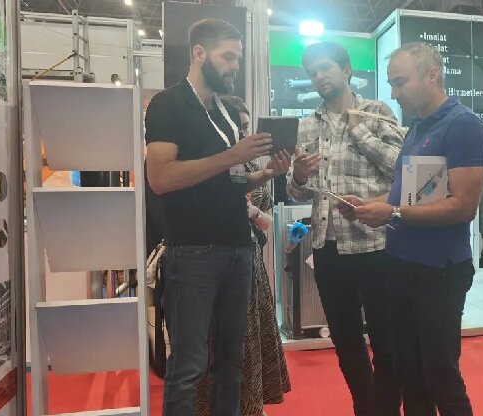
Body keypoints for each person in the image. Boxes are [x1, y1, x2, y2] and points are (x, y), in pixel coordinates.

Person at [144, 19, 291, 415]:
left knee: (231, 361)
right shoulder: (167, 104)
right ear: (199, 53)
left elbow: (232, 180)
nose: (234, 67)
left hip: (238, 249)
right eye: (228, 57)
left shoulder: (225, 111)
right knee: (189, 365)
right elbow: (160, 178)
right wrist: (232, 155)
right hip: (193, 251)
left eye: (238, 59)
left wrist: (267, 173)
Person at [338, 42, 483, 416]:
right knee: (409, 375)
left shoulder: (463, 125)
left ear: (432, 75)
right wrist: (370, 205)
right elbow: (413, 196)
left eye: (400, 82)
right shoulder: (418, 126)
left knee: (441, 376)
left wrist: (391, 212)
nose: (394, 93)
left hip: (439, 271)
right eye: (392, 83)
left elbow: (463, 206)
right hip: (402, 265)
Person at [287, 41, 404, 416]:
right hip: (328, 248)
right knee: (346, 340)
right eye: (313, 72)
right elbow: (296, 191)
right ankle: (365, 408)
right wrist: (298, 175)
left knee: (387, 341)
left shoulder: (377, 112)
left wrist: (361, 134)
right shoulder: (306, 125)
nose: (319, 76)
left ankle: (386, 409)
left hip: (376, 244)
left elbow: (403, 167)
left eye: (325, 68)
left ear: (347, 70)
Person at [193, 95, 291, 416]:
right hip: (216, 263)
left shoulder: (251, 165)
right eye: (239, 125)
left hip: (251, 262)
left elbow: (265, 218)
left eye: (247, 126)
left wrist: (252, 210)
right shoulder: (211, 160)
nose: (244, 132)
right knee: (220, 344)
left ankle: (251, 406)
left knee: (250, 343)